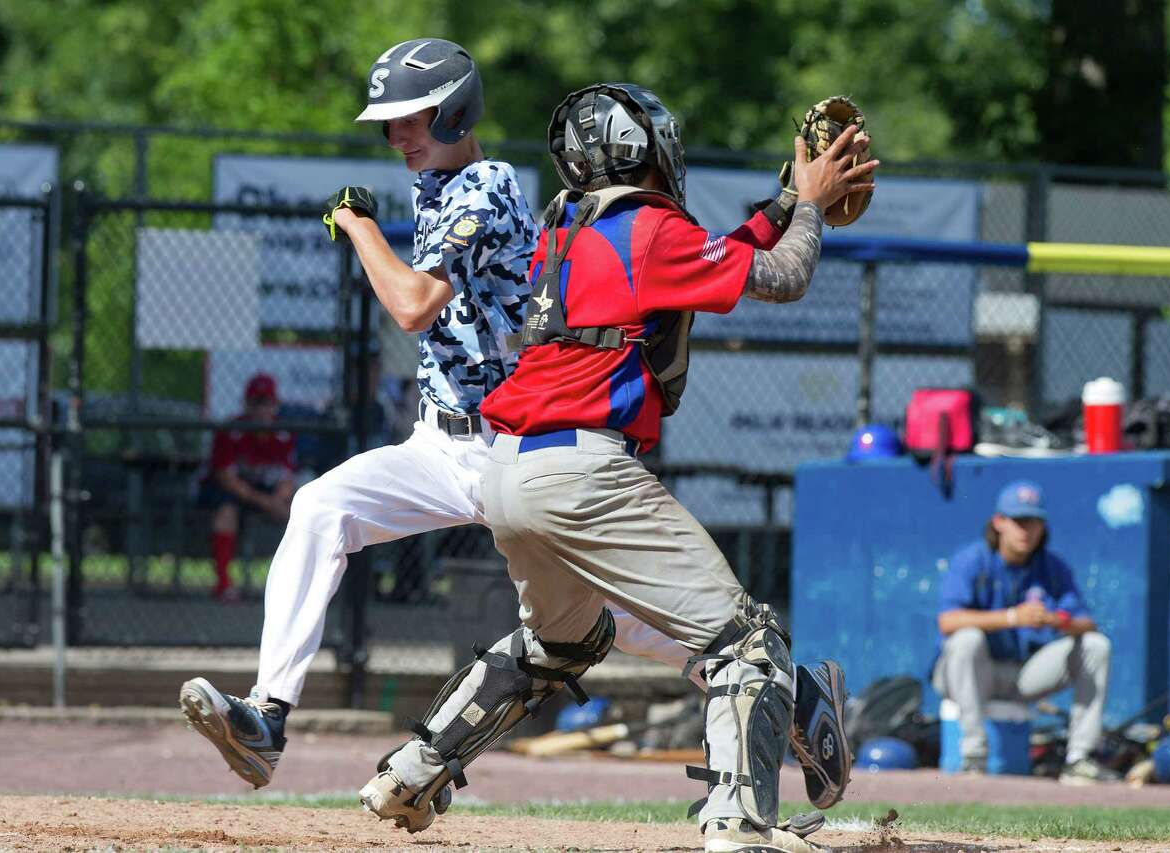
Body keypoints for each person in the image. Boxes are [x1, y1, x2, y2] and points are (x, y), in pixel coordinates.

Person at [177, 42, 822, 803]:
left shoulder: (485, 185)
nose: (398, 138)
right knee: (321, 507)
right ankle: (266, 718)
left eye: (411, 120)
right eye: (388, 126)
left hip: (511, 443)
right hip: (438, 438)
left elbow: (414, 302)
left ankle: (794, 702)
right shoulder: (440, 186)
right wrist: (784, 207)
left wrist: (354, 226)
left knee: (617, 618)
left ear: (454, 109)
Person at [357, 83, 876, 853]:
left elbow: (709, 255)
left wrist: (784, 200)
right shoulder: (653, 229)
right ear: (644, 150)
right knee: (747, 644)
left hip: (508, 467)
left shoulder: (565, 226)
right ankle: (738, 826)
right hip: (583, 469)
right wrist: (806, 208)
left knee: (560, 643)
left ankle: (409, 773)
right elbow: (781, 274)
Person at [934, 479, 1117, 783]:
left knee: (1096, 645)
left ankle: (1079, 759)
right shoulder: (972, 559)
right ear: (999, 522)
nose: (1026, 530)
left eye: (1033, 522)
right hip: (967, 674)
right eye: (1018, 521)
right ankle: (973, 757)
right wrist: (1011, 617)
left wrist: (1058, 621)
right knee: (966, 639)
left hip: (1023, 675)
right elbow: (947, 622)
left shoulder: (1052, 567)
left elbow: (1087, 623)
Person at [198, 373, 296, 600]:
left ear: (276, 405)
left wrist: (279, 501)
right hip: (231, 493)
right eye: (256, 402)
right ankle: (224, 584)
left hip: (264, 492)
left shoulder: (283, 433)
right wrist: (266, 502)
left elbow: (287, 478)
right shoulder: (232, 431)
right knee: (226, 513)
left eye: (267, 403)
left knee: (300, 512)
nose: (262, 409)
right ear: (246, 404)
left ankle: (290, 585)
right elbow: (226, 479)